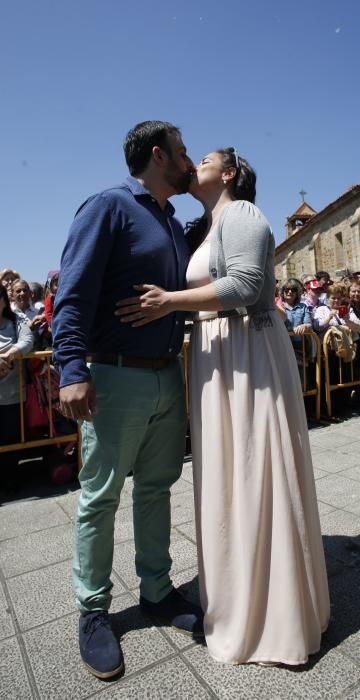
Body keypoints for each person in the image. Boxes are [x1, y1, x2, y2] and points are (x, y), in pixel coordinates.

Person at [116, 147, 330, 666]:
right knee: (229, 475)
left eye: (205, 159)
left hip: (246, 353)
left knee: (255, 470)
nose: (196, 165)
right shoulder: (207, 223)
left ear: (228, 174)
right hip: (217, 354)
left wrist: (168, 301)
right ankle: (237, 598)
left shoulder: (242, 213)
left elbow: (246, 286)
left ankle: (273, 614)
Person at [53, 120, 202, 680]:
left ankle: (158, 592)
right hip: (114, 378)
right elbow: (72, 292)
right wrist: (72, 368)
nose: (189, 161)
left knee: (158, 489)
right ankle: (93, 612)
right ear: (158, 154)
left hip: (168, 374)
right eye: (184, 153)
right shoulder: (108, 206)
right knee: (101, 497)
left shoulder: (170, 221)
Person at [0, 284, 34, 493]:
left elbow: (28, 340)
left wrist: (9, 354)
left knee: (11, 440)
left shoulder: (17, 320)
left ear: (4, 299)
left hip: (13, 394)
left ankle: (10, 479)